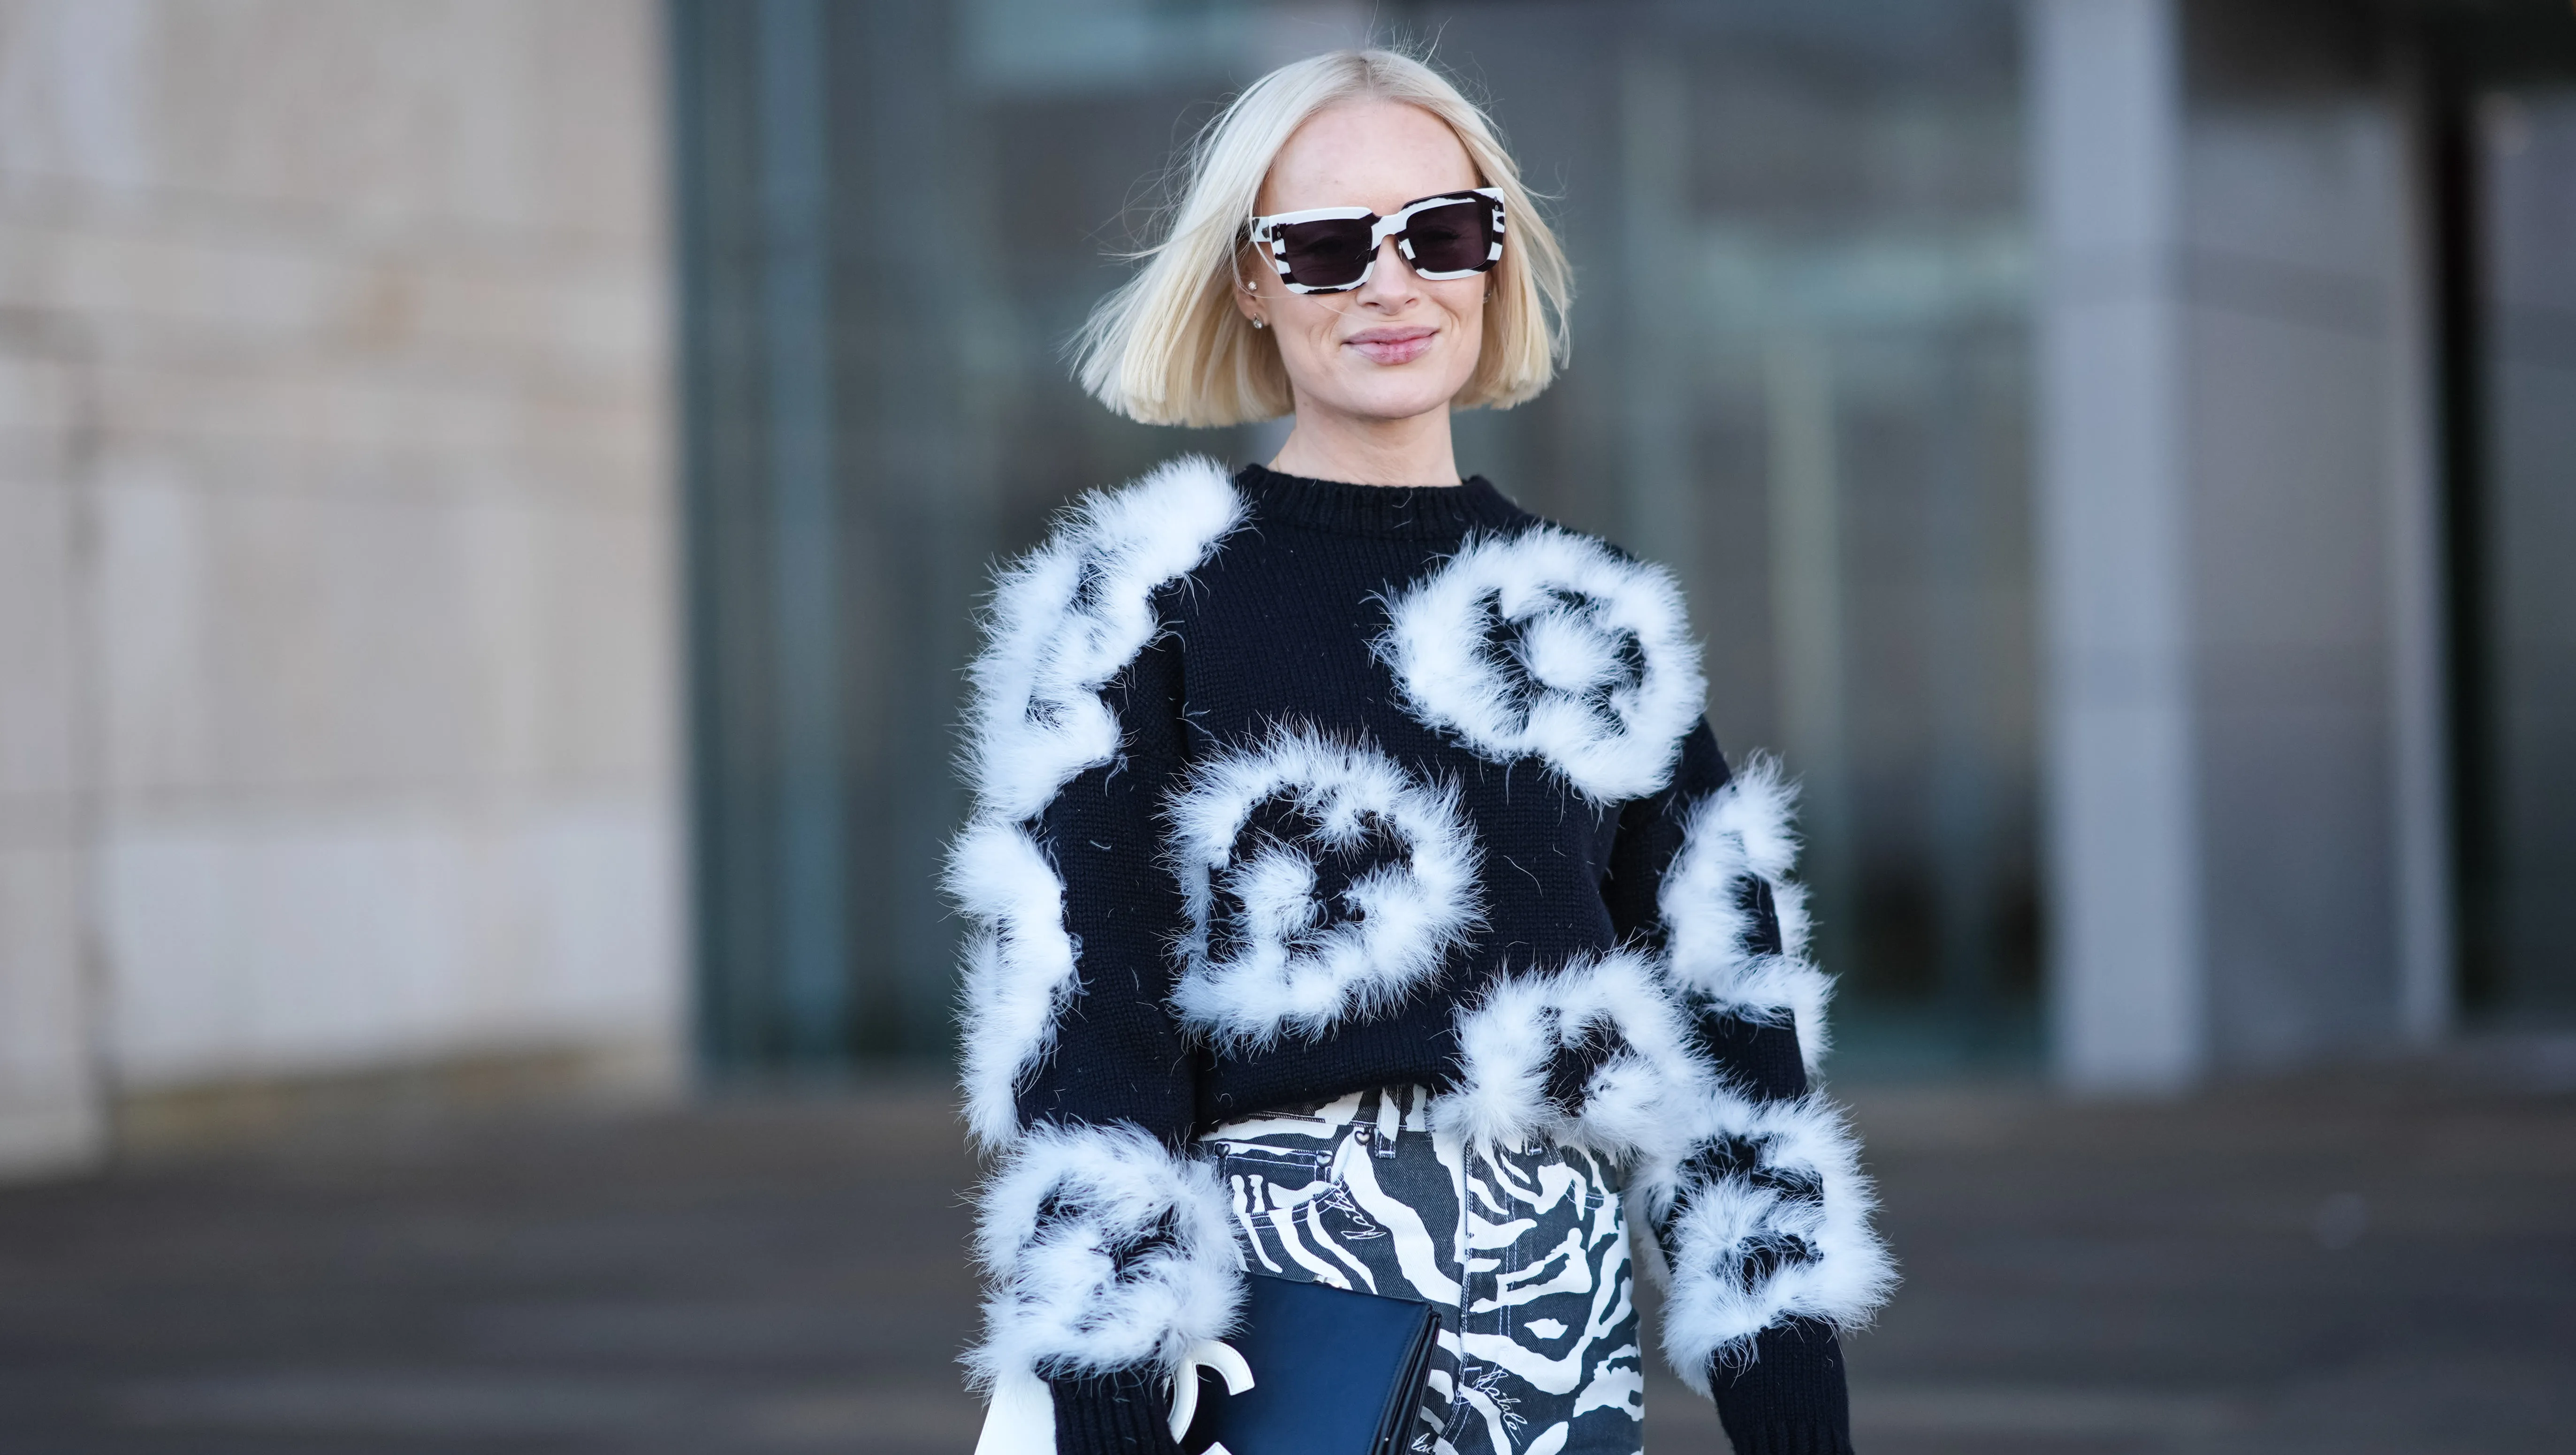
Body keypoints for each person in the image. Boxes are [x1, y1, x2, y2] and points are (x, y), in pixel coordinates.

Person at [949, 47, 1891, 1455]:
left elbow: (1738, 1065)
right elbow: (1093, 1061)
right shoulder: (1133, 601)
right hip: (1272, 1353)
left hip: (1558, 1366)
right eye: (1327, 247)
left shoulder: (1592, 621)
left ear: (1495, 262)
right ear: (1252, 283)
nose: (1393, 283)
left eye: (1443, 233)